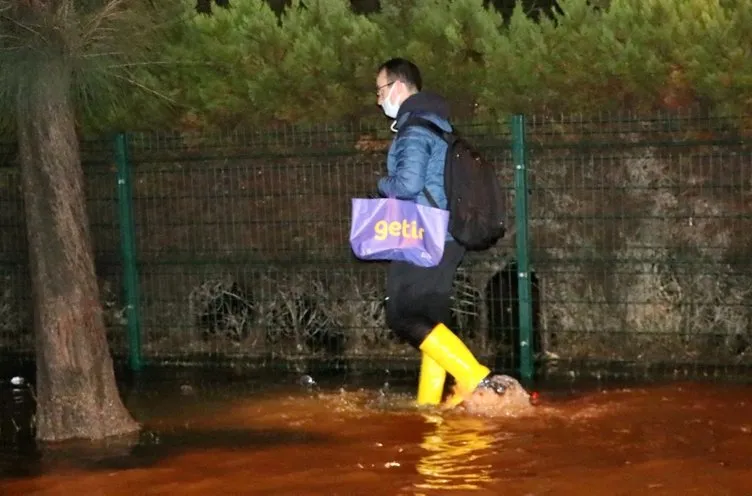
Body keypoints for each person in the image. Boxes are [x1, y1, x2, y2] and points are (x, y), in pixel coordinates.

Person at [374, 58, 501, 408]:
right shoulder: (441, 126)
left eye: (381, 90)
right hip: (448, 235)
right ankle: (428, 405)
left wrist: (381, 183)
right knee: (432, 322)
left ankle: (479, 379)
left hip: (423, 233)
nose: (378, 99)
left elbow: (407, 184)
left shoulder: (415, 129)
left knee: (402, 315)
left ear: (398, 87)